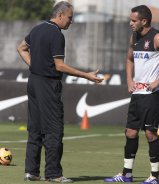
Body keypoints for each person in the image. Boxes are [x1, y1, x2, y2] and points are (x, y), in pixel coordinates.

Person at [17, 1, 103, 183]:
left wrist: (35, 65)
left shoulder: (37, 29)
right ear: (60, 15)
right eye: (70, 18)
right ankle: (54, 174)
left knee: (35, 128)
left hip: (33, 82)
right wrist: (86, 75)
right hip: (48, 84)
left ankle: (31, 171)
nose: (71, 22)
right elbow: (60, 65)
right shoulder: (56, 35)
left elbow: (21, 48)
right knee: (54, 129)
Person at [104, 5, 159, 184]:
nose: (130, 23)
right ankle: (126, 175)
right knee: (130, 132)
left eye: (133, 20)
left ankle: (154, 177)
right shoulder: (134, 37)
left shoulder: (158, 37)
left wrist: (158, 81)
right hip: (138, 93)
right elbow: (130, 59)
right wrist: (129, 81)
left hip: (154, 93)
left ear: (144, 21)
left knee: (150, 134)